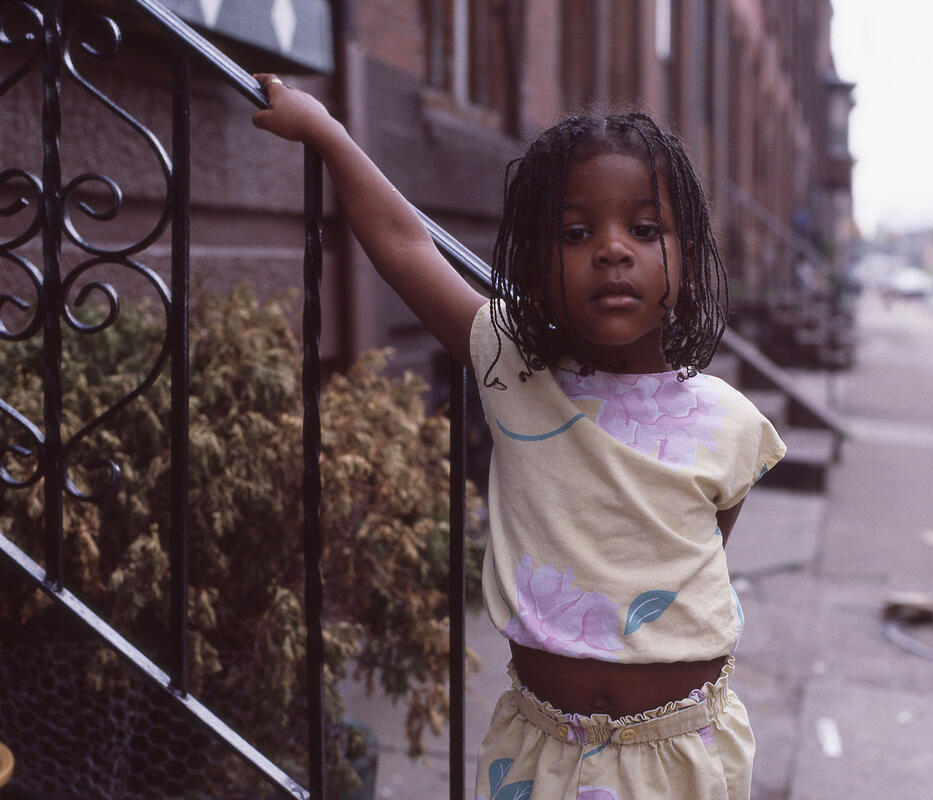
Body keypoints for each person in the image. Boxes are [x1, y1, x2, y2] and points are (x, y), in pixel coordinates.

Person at [251, 75, 785, 800]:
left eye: (645, 229)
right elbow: (406, 244)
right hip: (541, 752)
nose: (611, 250)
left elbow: (699, 555)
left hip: (680, 757)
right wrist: (325, 132)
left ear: (686, 265)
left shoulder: (729, 421)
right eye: (575, 232)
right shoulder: (512, 367)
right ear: (536, 263)